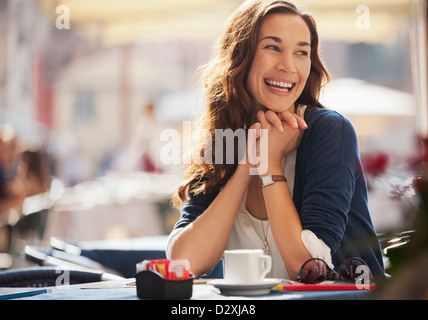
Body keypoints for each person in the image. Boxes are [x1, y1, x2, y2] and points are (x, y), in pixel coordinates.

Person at [166, 0, 385, 281]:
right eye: (273, 47)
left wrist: (269, 163)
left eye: (301, 53)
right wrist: (248, 162)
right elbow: (186, 261)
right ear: (239, 56)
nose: (288, 66)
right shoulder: (223, 140)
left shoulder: (330, 131)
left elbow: (308, 267)